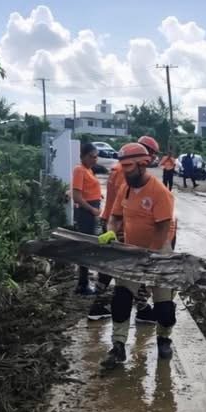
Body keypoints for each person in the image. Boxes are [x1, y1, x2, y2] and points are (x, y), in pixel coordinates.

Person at [101, 142, 177, 369]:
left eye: (129, 167)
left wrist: (150, 258)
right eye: (123, 167)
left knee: (164, 309)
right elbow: (115, 217)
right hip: (131, 251)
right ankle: (118, 346)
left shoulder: (159, 192)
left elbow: (163, 227)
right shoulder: (125, 187)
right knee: (121, 299)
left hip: (158, 252)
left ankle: (164, 339)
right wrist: (111, 232)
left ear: (143, 165)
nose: (125, 171)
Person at [87, 134, 161, 324]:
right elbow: (129, 203)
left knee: (112, 265)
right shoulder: (126, 171)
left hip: (112, 221)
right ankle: (142, 308)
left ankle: (98, 305)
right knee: (131, 267)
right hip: (119, 224)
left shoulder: (118, 168)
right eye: (150, 154)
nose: (151, 159)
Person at [71, 142, 102, 295]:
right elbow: (76, 196)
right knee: (85, 248)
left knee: (88, 246)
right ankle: (82, 284)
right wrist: (92, 209)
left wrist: (98, 196)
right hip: (86, 213)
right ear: (82, 156)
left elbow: (88, 190)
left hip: (91, 212)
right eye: (91, 156)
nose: (94, 159)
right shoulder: (79, 170)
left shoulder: (89, 170)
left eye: (96, 157)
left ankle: (84, 281)